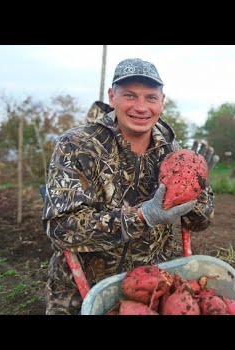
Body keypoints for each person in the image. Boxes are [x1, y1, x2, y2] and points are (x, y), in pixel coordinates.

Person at [42, 58, 218, 315]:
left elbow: (201, 223)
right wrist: (142, 216)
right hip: (80, 289)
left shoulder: (172, 151)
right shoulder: (78, 146)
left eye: (150, 97)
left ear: (162, 101)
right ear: (112, 97)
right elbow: (60, 229)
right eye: (130, 95)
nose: (141, 107)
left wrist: (194, 188)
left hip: (152, 289)